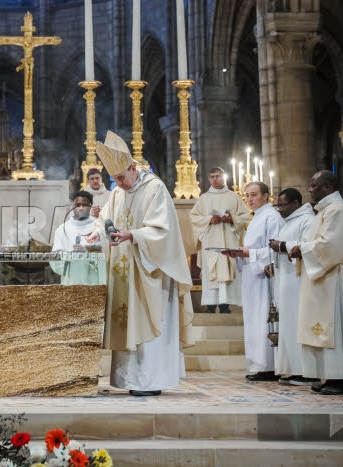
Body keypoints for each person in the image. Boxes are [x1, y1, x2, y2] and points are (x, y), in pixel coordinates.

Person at [87, 131, 194, 397]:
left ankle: (149, 381)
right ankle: (128, 380)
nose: (119, 184)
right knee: (126, 321)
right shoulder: (118, 192)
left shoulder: (155, 188)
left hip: (150, 272)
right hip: (125, 272)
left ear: (134, 168)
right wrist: (97, 232)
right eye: (115, 180)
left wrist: (132, 234)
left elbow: (162, 231)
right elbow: (107, 222)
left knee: (148, 321)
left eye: (121, 177)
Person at [288, 170, 343, 395]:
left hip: (336, 283)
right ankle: (331, 377)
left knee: (336, 328)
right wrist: (302, 247)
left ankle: (342, 380)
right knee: (326, 329)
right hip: (325, 280)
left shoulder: (338, 211)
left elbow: (333, 245)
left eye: (314, 185)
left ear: (327, 188)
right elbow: (318, 242)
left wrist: (301, 248)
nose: (310, 189)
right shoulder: (326, 211)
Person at [222, 181, 283, 381]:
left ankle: (270, 366)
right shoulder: (256, 217)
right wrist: (239, 254)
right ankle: (260, 365)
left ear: (266, 196)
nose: (249, 199)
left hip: (265, 278)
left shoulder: (272, 217)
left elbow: (276, 249)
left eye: (254, 195)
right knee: (254, 321)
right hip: (252, 278)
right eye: (247, 195)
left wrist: (248, 253)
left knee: (263, 319)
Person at [265, 188, 317, 386]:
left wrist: (283, 246)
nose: (280, 209)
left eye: (283, 204)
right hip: (285, 281)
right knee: (288, 326)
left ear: (295, 203)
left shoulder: (308, 220)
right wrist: (273, 264)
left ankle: (305, 371)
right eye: (278, 205)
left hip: (298, 283)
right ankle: (290, 369)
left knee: (298, 325)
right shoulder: (289, 221)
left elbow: (309, 245)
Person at [189, 167, 249, 314]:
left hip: (228, 240)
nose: (215, 179)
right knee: (211, 271)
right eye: (212, 177)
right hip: (210, 241)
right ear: (209, 179)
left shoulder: (233, 197)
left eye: (217, 176)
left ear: (224, 177)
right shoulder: (204, 198)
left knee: (227, 271)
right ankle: (210, 306)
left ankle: (224, 306)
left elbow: (245, 216)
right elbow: (194, 218)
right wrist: (209, 219)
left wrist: (232, 218)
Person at [50, 190, 106, 286]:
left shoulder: (98, 227)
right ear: (73, 206)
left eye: (84, 205)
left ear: (90, 206)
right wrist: (70, 254)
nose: (80, 208)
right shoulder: (63, 229)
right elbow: (55, 256)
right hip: (71, 278)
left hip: (93, 278)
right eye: (78, 205)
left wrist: (87, 250)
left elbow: (106, 251)